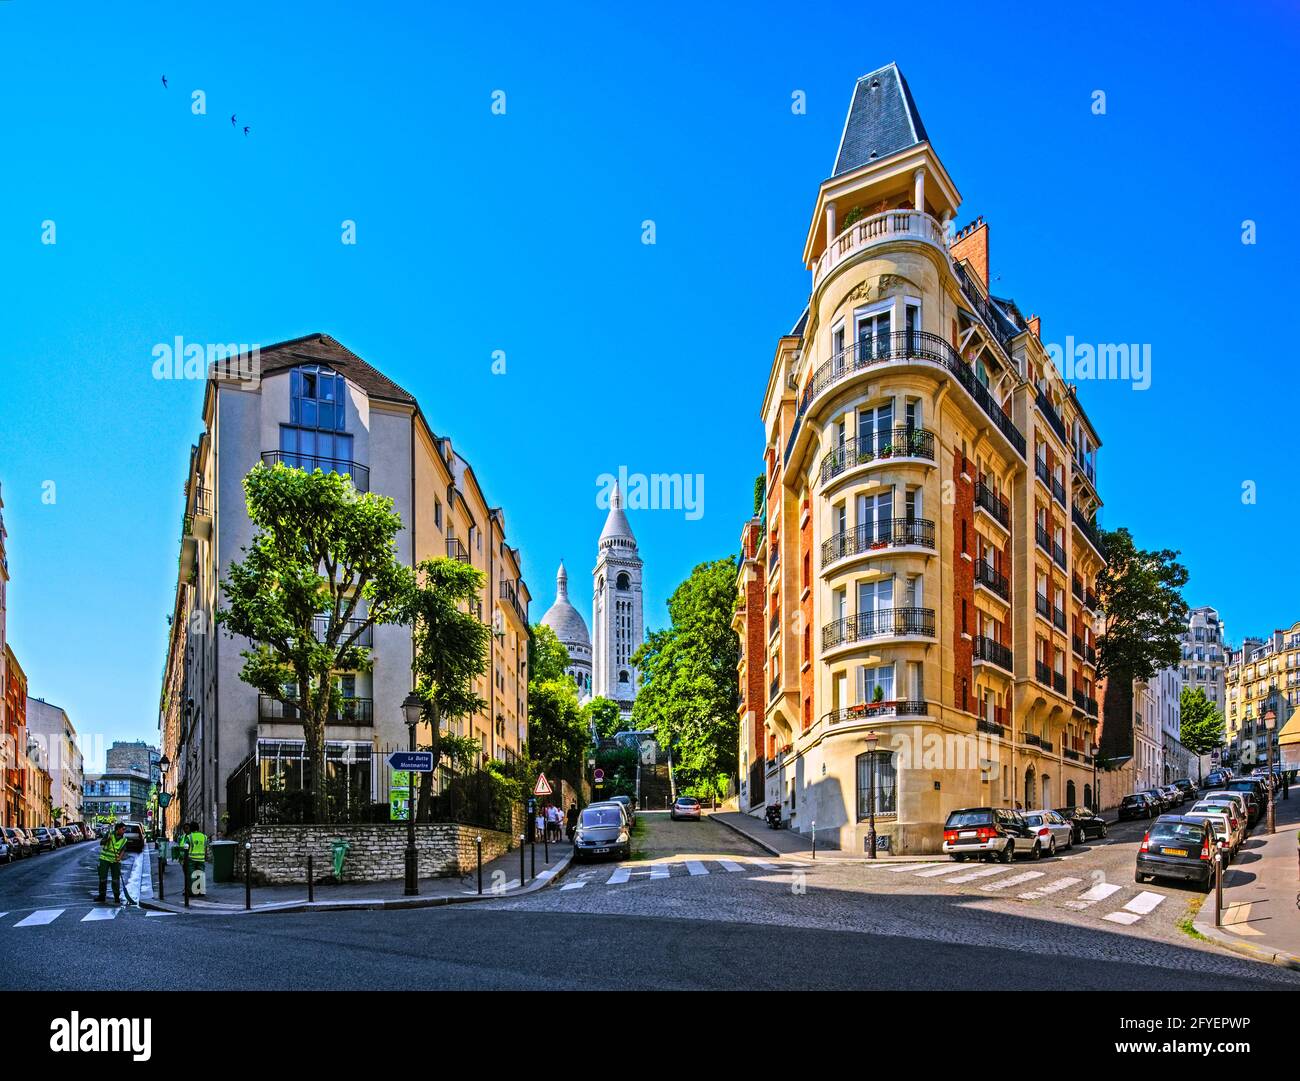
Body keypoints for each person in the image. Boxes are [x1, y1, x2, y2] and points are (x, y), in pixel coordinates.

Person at [96, 822, 128, 905]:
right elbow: (101, 843)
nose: (124, 831)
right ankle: (102, 896)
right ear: (118, 829)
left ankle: (116, 897)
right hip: (104, 859)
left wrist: (119, 858)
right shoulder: (109, 834)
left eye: (125, 829)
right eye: (123, 829)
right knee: (103, 879)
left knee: (115, 880)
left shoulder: (124, 839)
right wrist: (107, 839)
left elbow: (123, 850)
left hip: (115, 861)